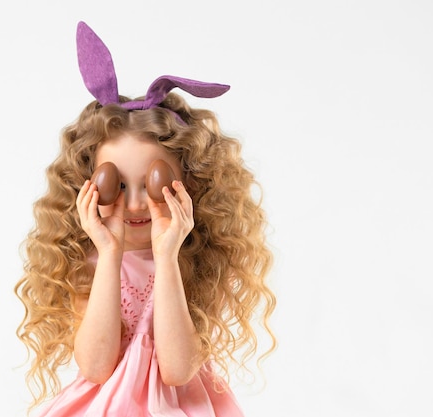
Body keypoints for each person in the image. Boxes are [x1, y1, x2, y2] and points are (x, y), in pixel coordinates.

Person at [15, 21, 276, 416]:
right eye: (115, 185)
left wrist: (168, 255)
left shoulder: (197, 261)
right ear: (87, 186)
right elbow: (96, 366)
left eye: (153, 184)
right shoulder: (88, 261)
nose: (134, 204)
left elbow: (177, 370)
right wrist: (108, 252)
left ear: (190, 183)